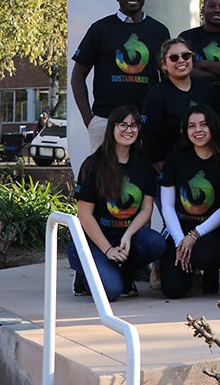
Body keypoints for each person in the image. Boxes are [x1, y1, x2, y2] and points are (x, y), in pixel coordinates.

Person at [68, 104, 166, 300]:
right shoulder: (93, 164)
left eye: (134, 126)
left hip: (123, 240)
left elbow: (146, 209)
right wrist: (108, 249)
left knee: (156, 243)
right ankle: (85, 273)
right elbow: (84, 214)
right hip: (94, 241)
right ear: (111, 127)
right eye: (123, 125)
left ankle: (124, 272)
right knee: (111, 292)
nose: (128, 130)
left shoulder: (143, 165)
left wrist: (128, 235)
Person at [71, 0, 171, 155]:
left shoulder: (159, 31)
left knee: (143, 179)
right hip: (105, 120)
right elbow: (78, 74)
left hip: (145, 121)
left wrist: (162, 116)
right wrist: (89, 120)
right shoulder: (100, 29)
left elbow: (166, 79)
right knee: (104, 179)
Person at [158, 105, 220, 298]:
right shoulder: (175, 158)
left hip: (212, 231)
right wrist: (180, 242)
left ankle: (209, 271)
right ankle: (188, 273)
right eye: (191, 126)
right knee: (173, 291)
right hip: (179, 230)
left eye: (203, 124)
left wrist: (195, 235)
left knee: (204, 255)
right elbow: (166, 205)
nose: (197, 130)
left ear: (213, 127)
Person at [141, 38, 218, 169]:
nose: (181, 60)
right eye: (174, 58)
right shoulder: (156, 95)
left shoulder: (206, 89)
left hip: (207, 164)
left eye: (186, 55)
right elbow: (150, 138)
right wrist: (163, 168)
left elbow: (217, 127)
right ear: (163, 64)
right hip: (171, 166)